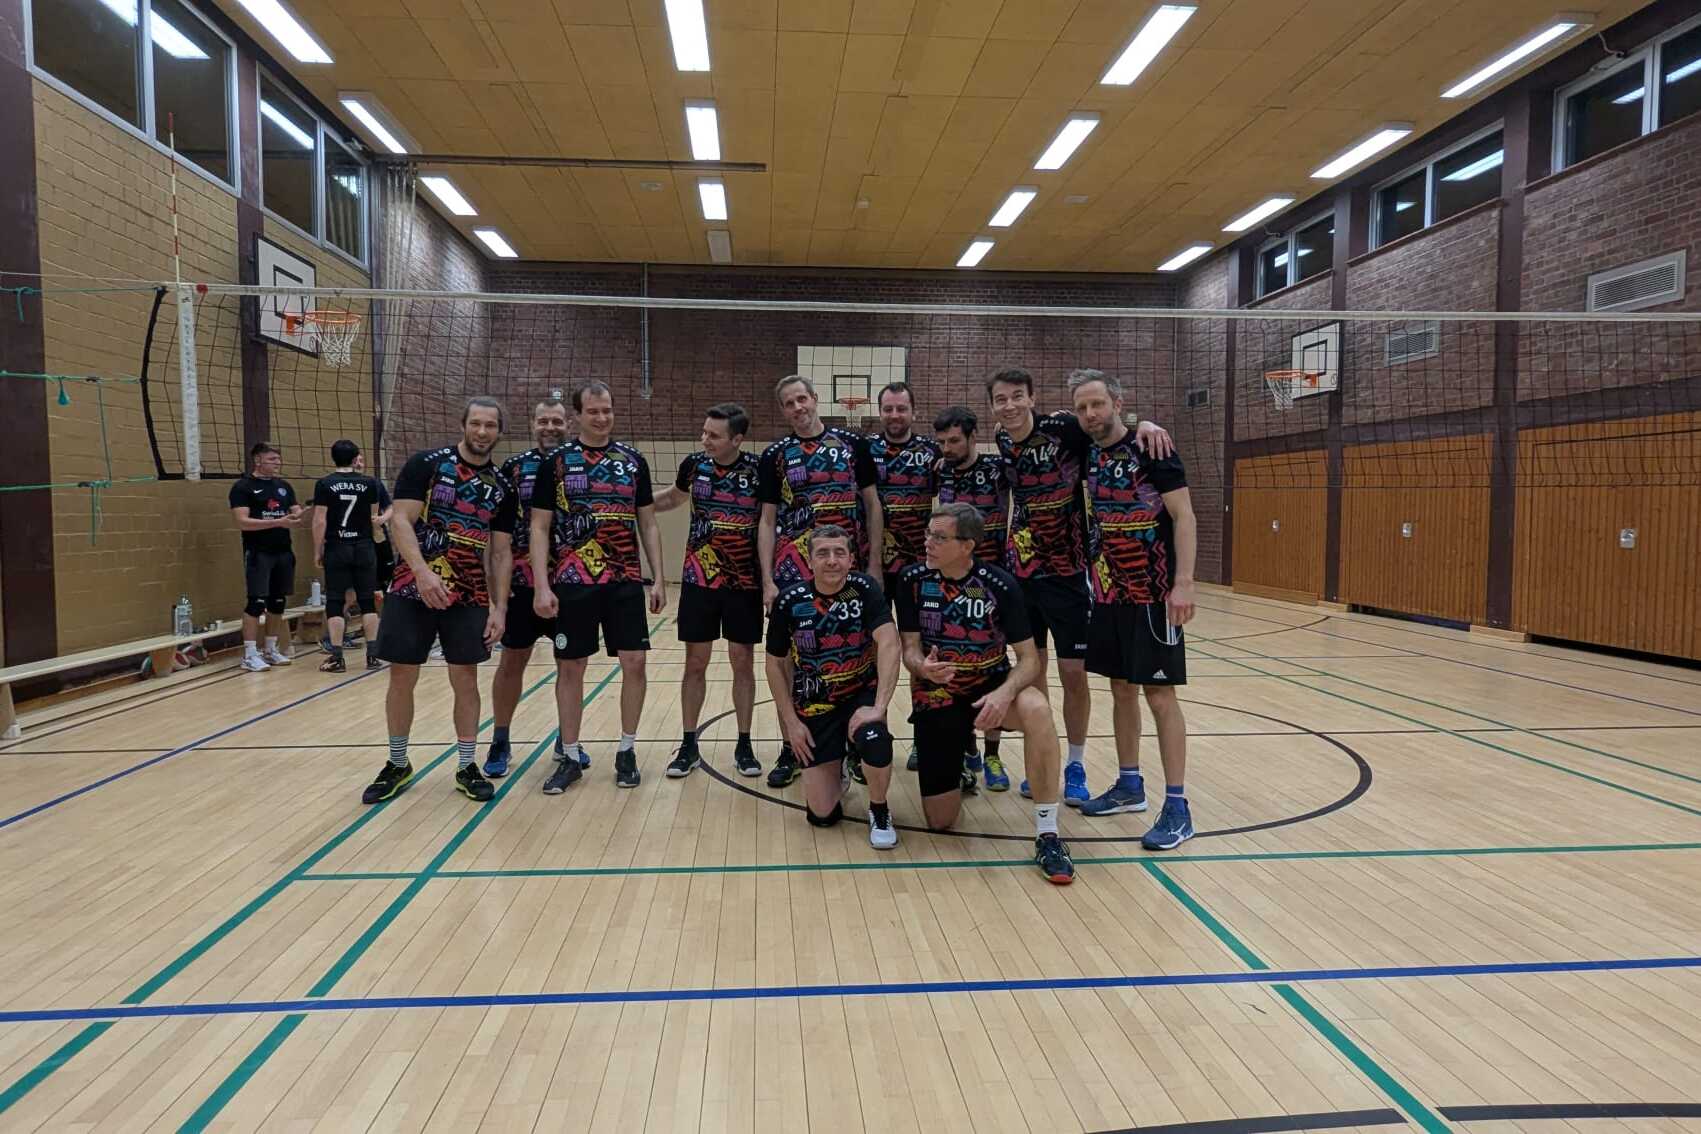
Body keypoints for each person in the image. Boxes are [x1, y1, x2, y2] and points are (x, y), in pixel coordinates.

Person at [988, 367, 1172, 804]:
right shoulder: (1001, 439)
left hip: (1070, 574)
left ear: (1033, 398)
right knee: (1033, 669)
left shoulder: (1066, 429)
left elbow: (1110, 428)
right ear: (993, 406)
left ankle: (1074, 763)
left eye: (1018, 396)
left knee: (1074, 675)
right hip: (1022, 573)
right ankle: (1043, 757)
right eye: (1001, 399)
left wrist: (1146, 422)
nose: (1010, 406)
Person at [894, 503, 1075, 883]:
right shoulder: (910, 579)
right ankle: (958, 760)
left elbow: (1029, 660)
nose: (928, 542)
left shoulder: (1000, 584)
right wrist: (920, 666)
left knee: (1038, 709)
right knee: (941, 823)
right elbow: (909, 647)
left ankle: (1048, 833)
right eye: (928, 534)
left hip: (988, 687)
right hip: (938, 695)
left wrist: (1005, 693)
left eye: (939, 537)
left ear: (967, 545)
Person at [360, 397, 515, 806]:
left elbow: (500, 553)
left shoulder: (502, 487)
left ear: (499, 432)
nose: (483, 432)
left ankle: (467, 765)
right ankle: (397, 763)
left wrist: (499, 607)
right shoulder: (426, 465)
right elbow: (400, 520)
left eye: (491, 426)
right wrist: (423, 573)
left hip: (468, 593)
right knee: (401, 675)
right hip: (412, 589)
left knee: (465, 677)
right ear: (463, 424)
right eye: (476, 423)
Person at [1070, 370, 1198, 851]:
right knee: (1121, 690)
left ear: (1118, 402)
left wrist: (1183, 584)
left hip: (1154, 594)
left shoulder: (1154, 448)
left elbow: (1184, 517)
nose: (1090, 414)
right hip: (1107, 594)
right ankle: (1129, 785)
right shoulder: (1085, 450)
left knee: (1159, 697)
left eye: (1098, 404)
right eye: (1082, 408)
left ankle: (1179, 807)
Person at [530, 382, 666, 792]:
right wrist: (541, 584)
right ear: (578, 415)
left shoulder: (633, 460)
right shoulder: (556, 461)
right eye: (593, 411)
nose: (602, 417)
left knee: (636, 665)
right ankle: (569, 755)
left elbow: (647, 521)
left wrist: (657, 576)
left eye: (607, 410)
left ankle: (626, 750)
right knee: (571, 667)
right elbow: (539, 525)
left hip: (623, 581)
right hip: (573, 583)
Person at [757, 374, 882, 788]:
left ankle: (854, 745)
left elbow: (872, 504)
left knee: (855, 655)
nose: (798, 408)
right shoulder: (775, 455)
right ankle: (791, 746)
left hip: (848, 569)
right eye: (789, 403)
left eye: (802, 399)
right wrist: (768, 580)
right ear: (784, 409)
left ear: (815, 399)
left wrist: (875, 563)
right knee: (791, 661)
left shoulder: (852, 445)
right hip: (794, 574)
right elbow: (768, 519)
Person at [763, 524, 901, 848]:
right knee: (822, 815)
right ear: (809, 561)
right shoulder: (789, 601)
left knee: (876, 740)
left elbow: (890, 643)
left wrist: (878, 708)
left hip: (858, 697)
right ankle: (838, 766)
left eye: (839, 552)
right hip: (814, 705)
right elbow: (774, 663)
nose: (832, 560)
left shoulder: (865, 589)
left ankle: (879, 810)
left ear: (852, 559)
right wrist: (792, 724)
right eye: (822, 553)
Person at [651, 403, 763, 778]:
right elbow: (673, 498)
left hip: (744, 583)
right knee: (694, 664)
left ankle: (744, 743)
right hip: (699, 581)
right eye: (704, 433)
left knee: (742, 662)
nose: (705, 440)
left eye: (713, 436)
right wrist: (632, 504)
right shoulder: (693, 466)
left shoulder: (758, 471)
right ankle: (688, 744)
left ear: (737, 439)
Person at [482, 397, 575, 780]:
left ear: (568, 423)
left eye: (556, 421)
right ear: (533, 424)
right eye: (543, 421)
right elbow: (495, 537)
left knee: (570, 665)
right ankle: (500, 738)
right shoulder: (513, 468)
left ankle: (567, 740)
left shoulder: (578, 462)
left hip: (570, 583)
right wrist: (494, 599)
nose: (550, 427)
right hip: (520, 583)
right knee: (512, 661)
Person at [934, 404, 1014, 791]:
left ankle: (994, 754)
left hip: (994, 580)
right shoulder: (941, 472)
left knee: (994, 666)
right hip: (952, 581)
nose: (947, 448)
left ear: (971, 437)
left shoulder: (999, 469)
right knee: (956, 665)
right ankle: (966, 751)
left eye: (954, 441)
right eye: (942, 442)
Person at [311, 439, 389, 673]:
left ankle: (336, 658)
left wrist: (317, 550)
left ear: (332, 457)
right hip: (364, 546)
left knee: (335, 601)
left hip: (337, 546)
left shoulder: (325, 483)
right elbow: (374, 518)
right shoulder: (370, 483)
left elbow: (319, 520)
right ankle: (373, 656)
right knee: (368, 602)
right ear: (356, 459)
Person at [228, 442, 303, 672]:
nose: (277, 463)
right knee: (256, 602)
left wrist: (304, 514)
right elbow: (242, 522)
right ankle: (250, 654)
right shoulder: (243, 487)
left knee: (278, 602)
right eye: (272, 459)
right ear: (258, 460)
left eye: (278, 459)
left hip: (283, 551)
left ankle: (271, 649)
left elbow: (296, 511)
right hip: (259, 553)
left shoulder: (284, 486)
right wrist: (277, 522)